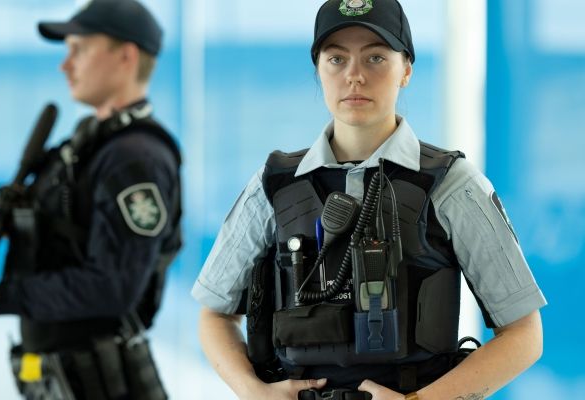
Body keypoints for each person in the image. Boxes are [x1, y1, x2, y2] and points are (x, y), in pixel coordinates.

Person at [192, 0, 546, 399]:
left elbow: (524, 334)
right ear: (318, 71)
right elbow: (214, 314)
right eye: (336, 59)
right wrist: (255, 392)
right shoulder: (274, 184)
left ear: (406, 70)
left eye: (375, 57)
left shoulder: (452, 184)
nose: (354, 76)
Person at [0, 0, 182, 399]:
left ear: (126, 56)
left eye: (79, 49)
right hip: (62, 376)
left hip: (103, 382)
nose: (65, 64)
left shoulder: (135, 160)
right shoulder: (88, 145)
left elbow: (114, 286)